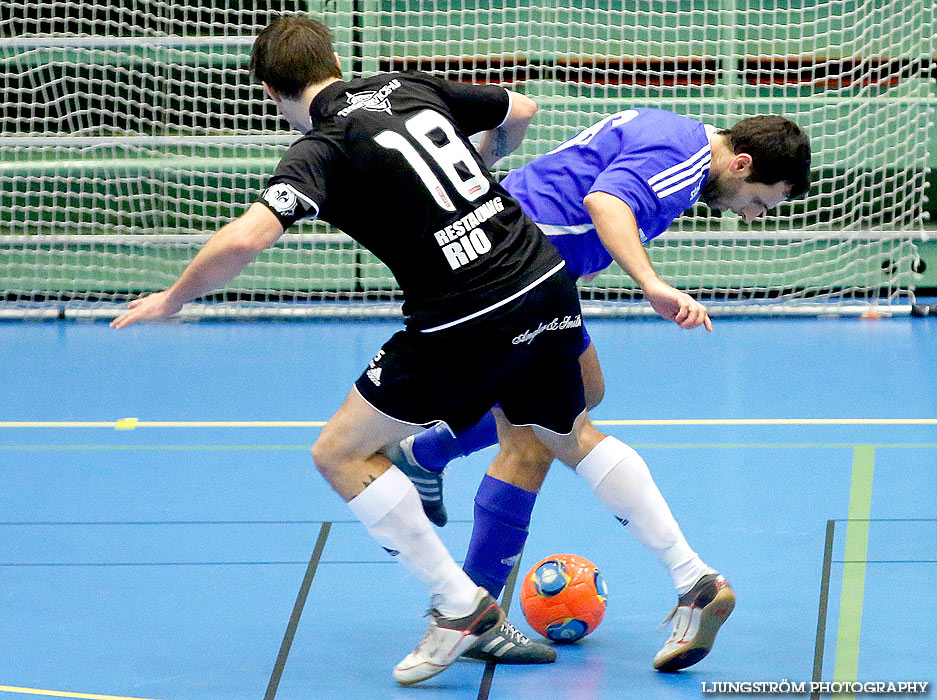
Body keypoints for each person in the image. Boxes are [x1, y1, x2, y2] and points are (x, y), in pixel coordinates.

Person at [111, 14, 735, 683]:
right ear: (334, 59)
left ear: (271, 92)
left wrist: (172, 299)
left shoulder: (320, 148)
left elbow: (243, 239)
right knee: (566, 428)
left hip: (463, 314)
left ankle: (459, 605)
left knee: (340, 452)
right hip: (542, 274)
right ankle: (692, 577)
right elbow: (518, 106)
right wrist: (489, 160)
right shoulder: (402, 87)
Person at [388, 109, 810, 668]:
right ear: (742, 163)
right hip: (506, 268)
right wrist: (652, 284)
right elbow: (604, 204)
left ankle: (428, 454)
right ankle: (477, 610)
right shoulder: (680, 159)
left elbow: (577, 198)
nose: (753, 215)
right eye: (760, 201)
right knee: (538, 438)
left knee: (584, 392)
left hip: (526, 264)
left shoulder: (678, 139)